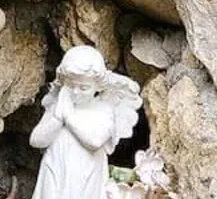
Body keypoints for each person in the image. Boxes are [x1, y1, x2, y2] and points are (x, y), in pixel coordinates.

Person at [30, 46, 141, 199]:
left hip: (86, 174)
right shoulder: (58, 107)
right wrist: (57, 117)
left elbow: (95, 141)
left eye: (84, 88)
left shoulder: (103, 110)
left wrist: (68, 117)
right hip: (55, 170)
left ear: (98, 86)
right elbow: (36, 141)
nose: (76, 92)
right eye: (70, 86)